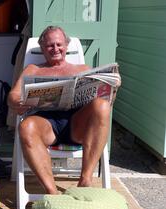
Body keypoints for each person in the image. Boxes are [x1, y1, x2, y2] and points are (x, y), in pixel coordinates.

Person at [8, 26, 116, 194]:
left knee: (102, 105)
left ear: (66, 45)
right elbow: (13, 95)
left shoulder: (82, 70)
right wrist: (18, 101)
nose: (55, 49)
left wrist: (111, 89)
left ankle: (85, 180)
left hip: (77, 126)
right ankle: (52, 192)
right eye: (50, 45)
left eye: (59, 44)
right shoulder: (33, 70)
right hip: (46, 126)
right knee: (26, 126)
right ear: (43, 48)